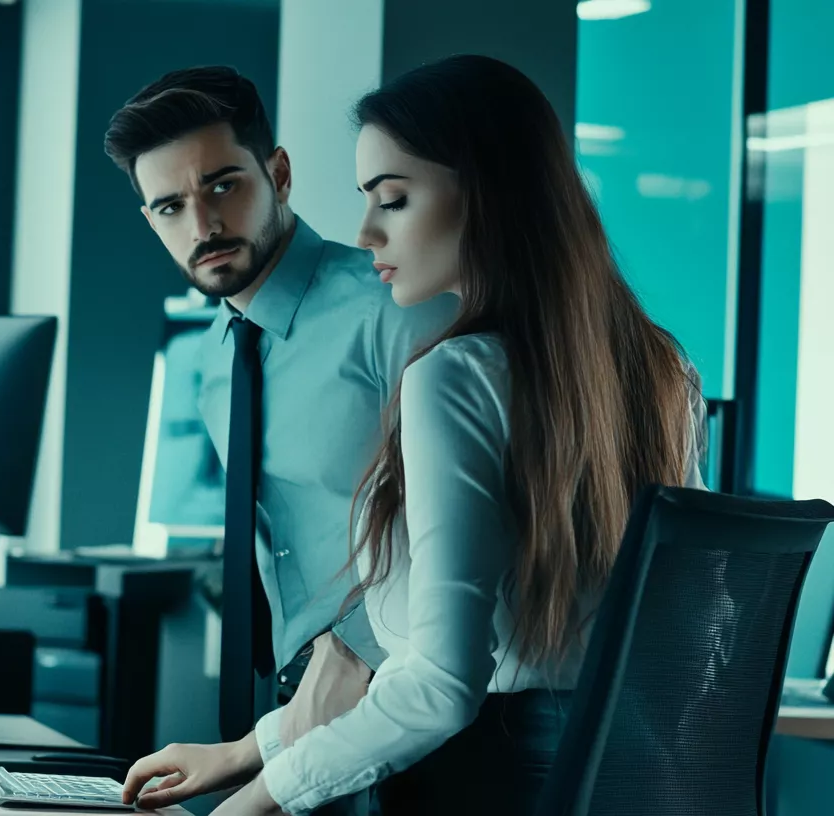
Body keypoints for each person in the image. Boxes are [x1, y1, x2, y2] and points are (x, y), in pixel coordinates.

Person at [121, 55, 707, 816]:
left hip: (472, 773)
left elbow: (437, 679)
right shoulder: (663, 368)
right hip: (622, 774)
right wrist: (261, 751)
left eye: (392, 200)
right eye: (168, 206)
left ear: (485, 196)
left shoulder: (447, 368)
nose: (365, 231)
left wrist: (254, 801)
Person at [102, 65, 456, 808]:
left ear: (279, 173)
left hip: (403, 712)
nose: (202, 227)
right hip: (296, 713)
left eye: (222, 186)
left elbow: (476, 525)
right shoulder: (211, 357)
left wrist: (353, 650)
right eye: (170, 207)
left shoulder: (394, 312)